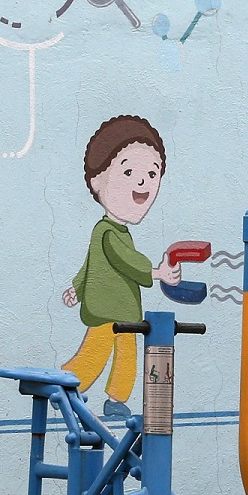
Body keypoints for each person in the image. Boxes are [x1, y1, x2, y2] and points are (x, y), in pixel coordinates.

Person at [61, 115, 181, 419]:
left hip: (125, 312)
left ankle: (116, 398)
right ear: (97, 181)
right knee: (97, 350)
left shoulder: (120, 233)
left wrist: (75, 287)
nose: (143, 182)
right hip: (105, 311)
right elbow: (120, 261)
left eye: (152, 173)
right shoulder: (108, 233)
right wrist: (156, 273)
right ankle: (68, 382)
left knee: (127, 356)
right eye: (128, 171)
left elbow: (90, 266)